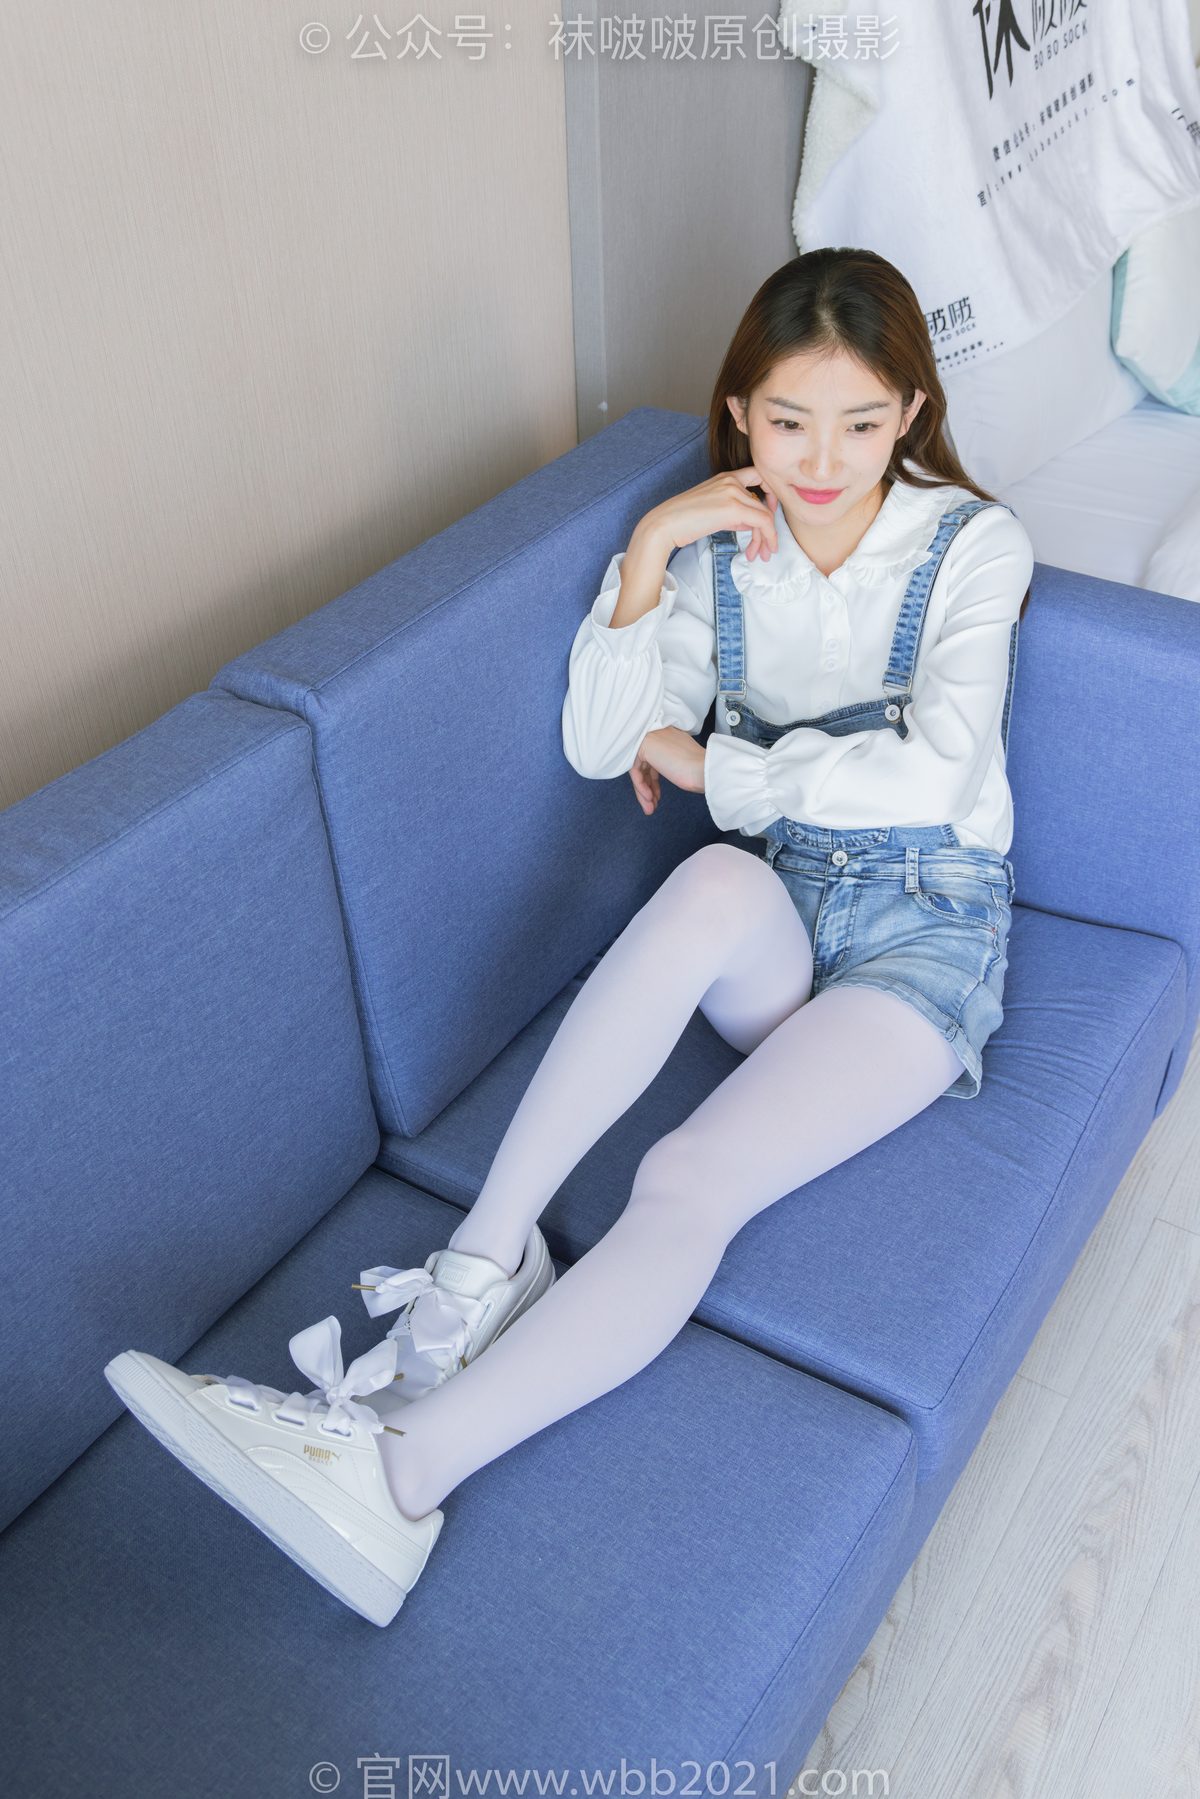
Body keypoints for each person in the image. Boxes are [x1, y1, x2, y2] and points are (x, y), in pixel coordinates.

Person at [104, 248, 1035, 1628]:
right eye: (787, 421)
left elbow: (936, 777)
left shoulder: (973, 545)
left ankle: (397, 1474)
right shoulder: (712, 547)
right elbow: (603, 740)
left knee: (687, 1174)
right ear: (739, 412)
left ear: (910, 412)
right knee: (710, 883)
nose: (822, 461)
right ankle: (477, 1275)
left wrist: (717, 762)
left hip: (927, 934)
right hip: (785, 907)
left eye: (859, 422)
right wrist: (654, 548)